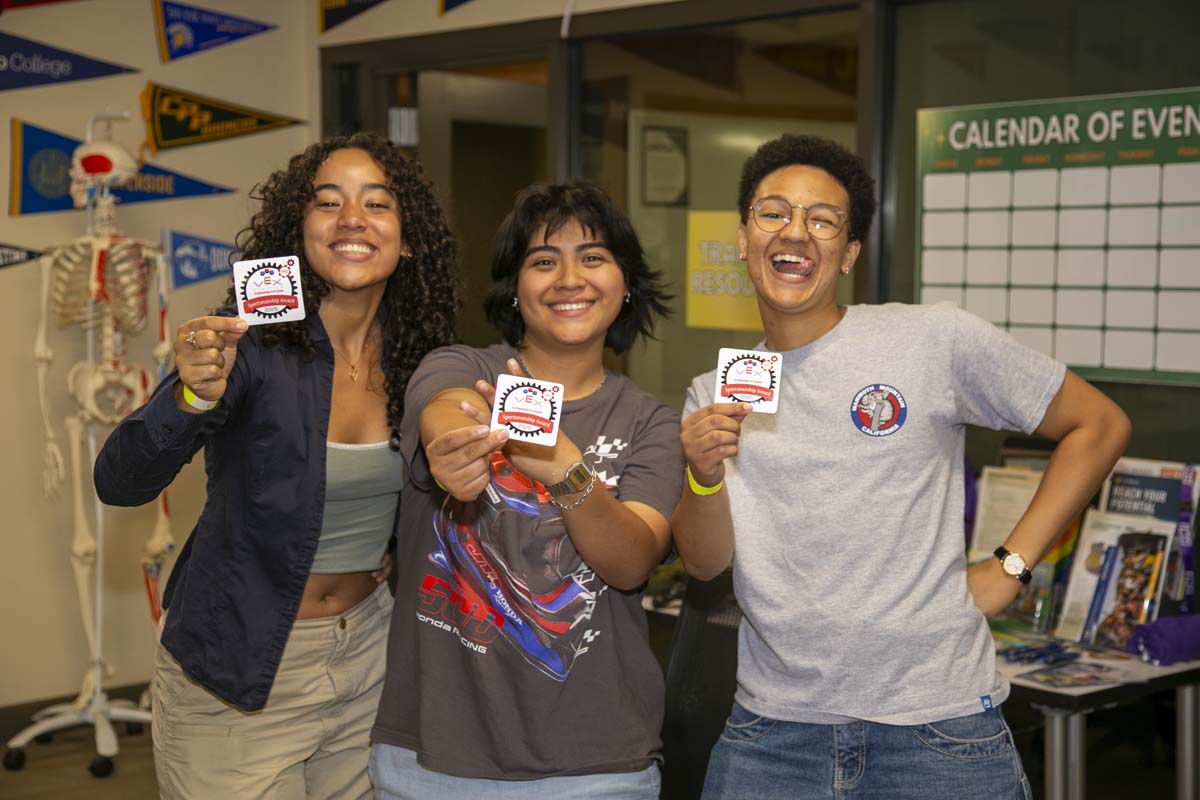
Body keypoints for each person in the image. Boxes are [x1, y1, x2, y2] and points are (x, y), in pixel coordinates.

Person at [671, 134, 1131, 799]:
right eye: (773, 213)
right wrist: (703, 473)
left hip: (938, 729)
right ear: (743, 239)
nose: (795, 232)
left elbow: (1099, 425)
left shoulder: (930, 339)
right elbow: (705, 563)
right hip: (775, 733)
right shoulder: (714, 394)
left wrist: (1010, 567)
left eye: (822, 220)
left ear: (849, 252)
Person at [93, 131, 458, 799]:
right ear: (299, 228)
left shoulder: (425, 359)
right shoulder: (249, 343)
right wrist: (189, 395)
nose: (352, 219)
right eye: (328, 202)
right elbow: (119, 482)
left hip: (369, 655)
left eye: (377, 203)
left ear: (407, 240)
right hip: (240, 666)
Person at [369, 180, 682, 798]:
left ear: (626, 285)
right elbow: (446, 410)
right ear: (514, 288)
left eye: (593, 257)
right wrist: (455, 451)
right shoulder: (462, 366)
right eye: (543, 261)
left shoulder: (652, 423)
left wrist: (566, 472)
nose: (569, 279)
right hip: (431, 762)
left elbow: (631, 561)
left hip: (597, 771)